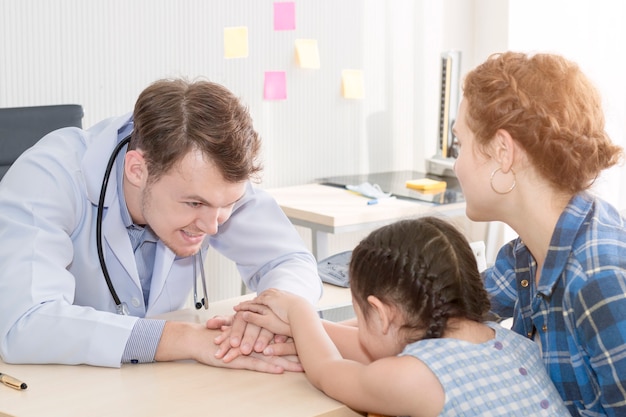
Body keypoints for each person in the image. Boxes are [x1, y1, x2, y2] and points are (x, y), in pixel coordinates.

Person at [0, 78, 322, 370]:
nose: (213, 226)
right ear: (137, 170)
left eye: (228, 205)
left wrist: (272, 312)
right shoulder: (50, 177)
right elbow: (25, 322)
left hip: (153, 383)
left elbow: (289, 260)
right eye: (194, 204)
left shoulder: (210, 179)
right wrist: (183, 338)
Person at [236, 216, 569, 417]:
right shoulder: (511, 343)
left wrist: (299, 309)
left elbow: (327, 372)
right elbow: (383, 344)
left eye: (360, 314)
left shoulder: (412, 376)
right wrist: (304, 328)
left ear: (381, 314)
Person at [452, 52, 626, 416]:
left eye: (460, 144)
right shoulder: (526, 255)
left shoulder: (600, 280)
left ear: (503, 151)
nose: (456, 165)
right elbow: (439, 315)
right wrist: (314, 330)